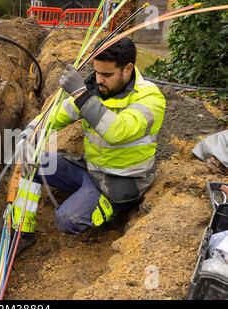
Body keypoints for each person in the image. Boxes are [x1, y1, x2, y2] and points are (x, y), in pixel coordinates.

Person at [15, 37, 166, 253]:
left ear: (127, 69)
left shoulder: (149, 98)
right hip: (92, 168)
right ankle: (23, 232)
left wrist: (80, 93)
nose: (99, 80)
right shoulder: (96, 90)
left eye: (106, 75)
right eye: (96, 72)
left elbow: (117, 131)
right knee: (32, 161)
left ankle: (113, 211)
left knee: (67, 219)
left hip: (122, 182)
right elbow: (55, 115)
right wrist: (30, 133)